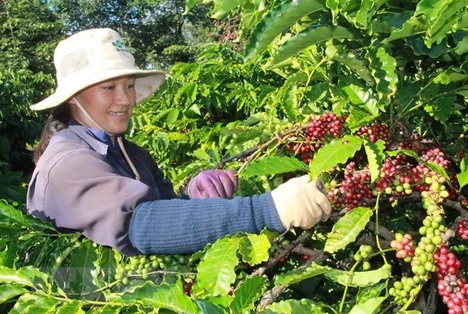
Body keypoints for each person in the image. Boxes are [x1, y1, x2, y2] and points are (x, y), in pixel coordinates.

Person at [27, 28, 332, 256]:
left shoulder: (133, 154)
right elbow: (141, 226)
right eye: (108, 87)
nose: (125, 100)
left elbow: (165, 217)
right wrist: (266, 211)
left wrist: (190, 196)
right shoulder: (67, 163)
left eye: (130, 86)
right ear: (73, 98)